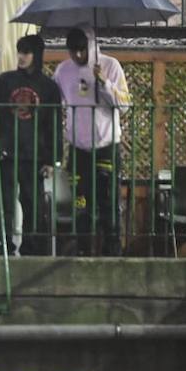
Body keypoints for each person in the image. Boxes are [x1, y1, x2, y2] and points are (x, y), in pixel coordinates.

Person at [53, 25, 131, 256]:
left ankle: (112, 253)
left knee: (109, 202)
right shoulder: (63, 70)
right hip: (78, 148)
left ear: (90, 46)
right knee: (81, 204)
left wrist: (104, 82)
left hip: (106, 146)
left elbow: (125, 105)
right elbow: (55, 103)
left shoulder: (110, 65)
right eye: (72, 51)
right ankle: (83, 251)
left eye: (81, 50)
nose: (77, 56)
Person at [0, 34, 62, 256]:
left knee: (33, 204)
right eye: (19, 51)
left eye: (26, 52)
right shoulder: (4, 82)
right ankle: (6, 245)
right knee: (6, 204)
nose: (21, 57)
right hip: (7, 152)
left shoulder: (49, 87)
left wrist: (52, 158)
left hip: (35, 155)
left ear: (36, 55)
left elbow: (54, 123)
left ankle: (31, 245)